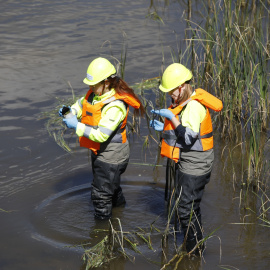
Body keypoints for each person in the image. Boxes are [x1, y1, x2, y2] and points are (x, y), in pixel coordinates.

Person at [59, 57, 144, 220]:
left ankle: (102, 230)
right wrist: (71, 111)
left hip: (112, 155)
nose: (91, 87)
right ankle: (120, 214)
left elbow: (101, 135)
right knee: (111, 188)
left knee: (100, 195)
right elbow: (81, 104)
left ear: (106, 82)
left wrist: (77, 126)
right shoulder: (95, 93)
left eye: (94, 84)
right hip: (100, 152)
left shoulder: (115, 105)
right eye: (90, 84)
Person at [150, 63, 222, 255]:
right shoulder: (184, 104)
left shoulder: (193, 107)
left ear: (182, 86)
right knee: (190, 206)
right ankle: (197, 246)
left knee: (185, 209)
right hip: (191, 162)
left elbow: (189, 137)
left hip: (195, 166)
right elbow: (182, 134)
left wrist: (171, 119)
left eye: (171, 91)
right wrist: (164, 129)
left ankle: (193, 253)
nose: (169, 95)